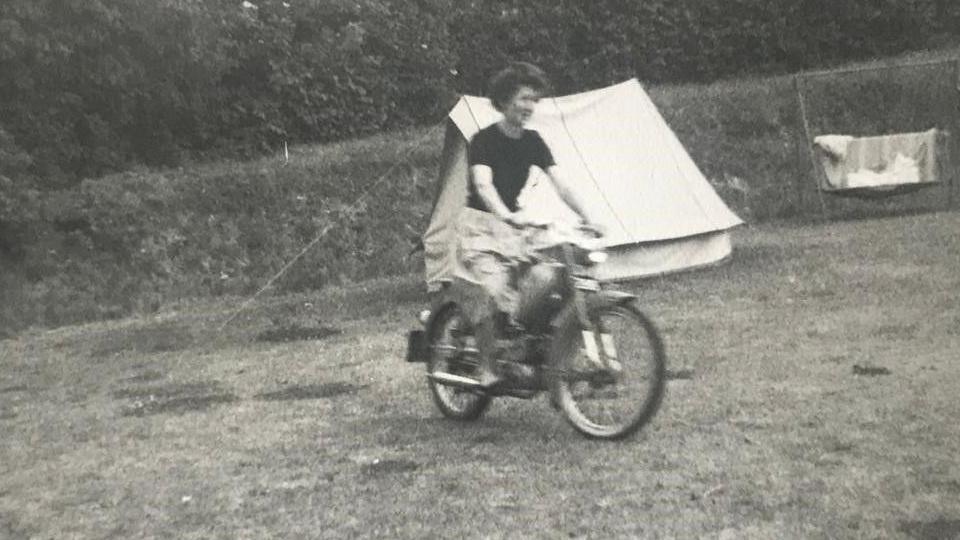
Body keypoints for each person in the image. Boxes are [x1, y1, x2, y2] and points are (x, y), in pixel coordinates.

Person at [455, 62, 602, 389]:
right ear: (505, 100)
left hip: (513, 228)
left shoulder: (534, 140)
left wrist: (588, 217)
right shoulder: (484, 140)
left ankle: (533, 351)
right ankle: (487, 365)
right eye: (523, 98)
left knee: (547, 280)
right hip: (480, 226)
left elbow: (561, 184)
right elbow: (483, 185)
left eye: (534, 100)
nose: (529, 106)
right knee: (494, 291)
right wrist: (505, 213)